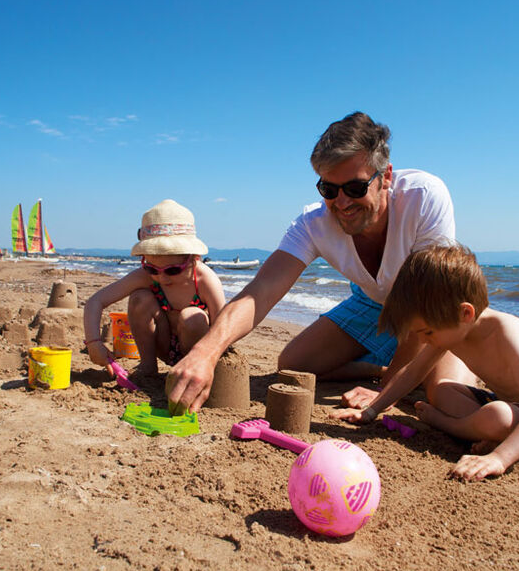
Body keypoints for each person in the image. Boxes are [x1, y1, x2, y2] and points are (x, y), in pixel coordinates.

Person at [166, 111, 464, 413]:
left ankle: (409, 373)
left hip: (431, 308)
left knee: (448, 398)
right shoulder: (313, 223)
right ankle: (381, 368)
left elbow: (427, 300)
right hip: (374, 305)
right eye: (329, 190)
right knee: (294, 365)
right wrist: (206, 351)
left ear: (385, 177)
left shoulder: (424, 197)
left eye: (355, 188)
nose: (343, 202)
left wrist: (386, 394)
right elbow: (260, 292)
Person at [331, 244, 519, 481]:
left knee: (498, 415)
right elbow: (414, 372)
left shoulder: (506, 331)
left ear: (465, 313)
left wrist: (500, 458)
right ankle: (485, 431)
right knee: (444, 390)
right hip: (515, 409)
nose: (425, 340)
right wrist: (371, 411)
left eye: (427, 332)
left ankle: (454, 427)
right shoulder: (451, 331)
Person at [83, 199, 225, 382]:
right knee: (139, 298)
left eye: (173, 270)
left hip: (198, 348)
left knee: (192, 316)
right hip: (163, 344)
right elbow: (96, 301)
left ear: (193, 259)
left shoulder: (204, 279)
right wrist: (94, 343)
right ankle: (148, 366)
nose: (162, 278)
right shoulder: (145, 276)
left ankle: (189, 369)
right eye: (152, 269)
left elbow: (224, 325)